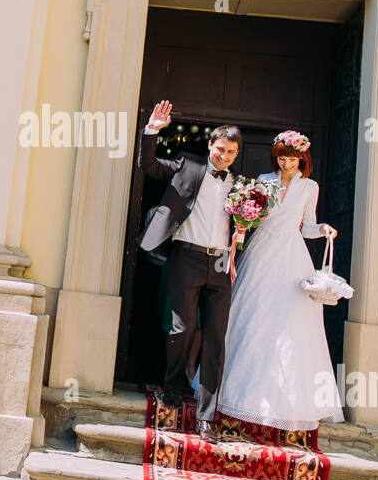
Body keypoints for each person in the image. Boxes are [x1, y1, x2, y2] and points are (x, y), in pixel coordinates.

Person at [215, 129, 345, 433]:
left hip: (291, 255)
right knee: (251, 313)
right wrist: (245, 216)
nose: (287, 164)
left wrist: (324, 228)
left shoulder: (309, 187)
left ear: (303, 159)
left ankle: (287, 401)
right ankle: (233, 391)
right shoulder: (263, 180)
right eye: (283, 158)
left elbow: (306, 227)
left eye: (293, 159)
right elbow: (253, 217)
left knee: (290, 322)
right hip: (261, 251)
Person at [137, 99, 239, 442]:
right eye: (220, 149)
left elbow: (243, 225)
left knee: (215, 339)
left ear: (236, 155)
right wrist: (152, 129)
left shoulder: (240, 186)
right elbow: (148, 164)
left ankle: (207, 417)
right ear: (211, 145)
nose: (223, 157)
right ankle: (172, 387)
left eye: (230, 153)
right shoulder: (188, 165)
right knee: (182, 329)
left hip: (221, 264)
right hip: (187, 257)